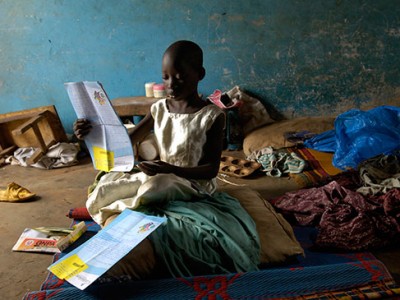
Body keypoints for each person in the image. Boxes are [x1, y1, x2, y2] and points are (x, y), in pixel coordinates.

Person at [74, 40, 260, 279]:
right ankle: (131, 208)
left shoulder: (212, 116)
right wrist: (89, 133)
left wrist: (170, 169)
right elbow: (127, 141)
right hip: (162, 174)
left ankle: (137, 209)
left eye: (180, 77)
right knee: (108, 181)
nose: (172, 85)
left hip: (192, 182)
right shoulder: (159, 108)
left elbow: (211, 170)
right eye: (166, 78)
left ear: (199, 75)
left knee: (157, 184)